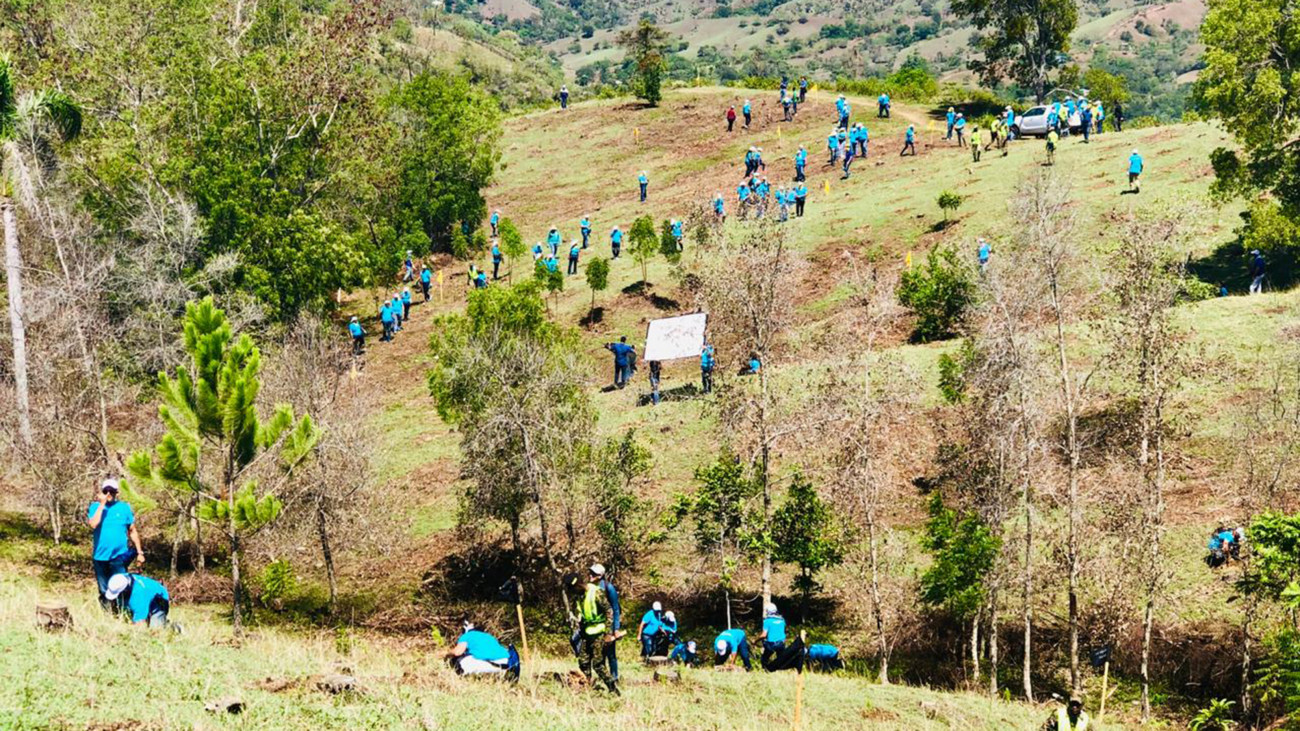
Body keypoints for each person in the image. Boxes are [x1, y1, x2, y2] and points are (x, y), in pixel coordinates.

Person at [87, 478, 143, 612]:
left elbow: (132, 530)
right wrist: (102, 504)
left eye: (111, 491)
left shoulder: (124, 508)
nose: (108, 494)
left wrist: (140, 552)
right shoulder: (95, 507)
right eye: (106, 491)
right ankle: (107, 615)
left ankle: (122, 612)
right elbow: (93, 524)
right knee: (103, 589)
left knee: (121, 586)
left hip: (119, 556)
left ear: (116, 492)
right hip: (100, 556)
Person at [565, 570, 619, 695]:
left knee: (598, 664)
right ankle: (586, 686)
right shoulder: (580, 597)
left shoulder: (595, 592)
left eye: (572, 590)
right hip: (586, 632)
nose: (572, 593)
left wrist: (608, 633)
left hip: (599, 632)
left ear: (577, 585)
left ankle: (613, 688)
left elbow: (609, 610)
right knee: (583, 661)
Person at [104, 572, 177, 630]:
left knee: (155, 630)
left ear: (125, 590)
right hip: (144, 594)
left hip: (159, 599)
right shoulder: (120, 578)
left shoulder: (139, 596)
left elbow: (139, 625)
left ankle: (171, 626)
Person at [448, 620, 516, 678]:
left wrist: (446, 653)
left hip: (489, 665)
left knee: (456, 661)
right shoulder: (489, 636)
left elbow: (457, 652)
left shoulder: (467, 635)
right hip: (505, 665)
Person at [592, 563, 624, 681]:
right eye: (590, 573)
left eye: (593, 573)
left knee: (610, 653)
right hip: (594, 625)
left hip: (608, 625)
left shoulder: (608, 587)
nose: (590, 575)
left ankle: (614, 677)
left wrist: (616, 629)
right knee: (598, 654)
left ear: (600, 575)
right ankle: (604, 677)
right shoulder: (589, 587)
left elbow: (615, 608)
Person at [758, 603, 787, 668]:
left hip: (771, 644)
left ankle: (765, 669)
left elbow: (764, 635)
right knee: (781, 659)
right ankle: (781, 670)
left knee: (765, 658)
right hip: (781, 643)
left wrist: (756, 640)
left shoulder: (767, 621)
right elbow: (784, 630)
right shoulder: (782, 620)